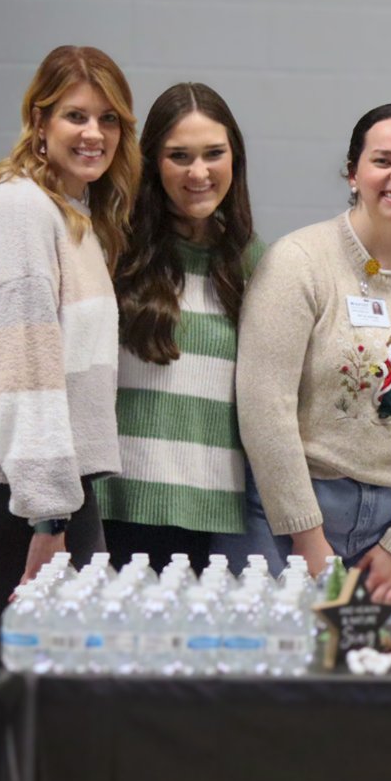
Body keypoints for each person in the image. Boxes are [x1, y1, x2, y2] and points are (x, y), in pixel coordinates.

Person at [0, 45, 139, 781]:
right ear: (39, 119)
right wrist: (47, 518)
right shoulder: (23, 208)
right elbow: (22, 372)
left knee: (51, 684)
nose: (94, 133)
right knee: (0, 677)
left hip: (47, 484)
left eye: (108, 119)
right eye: (76, 116)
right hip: (6, 489)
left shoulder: (70, 211)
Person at [235, 104, 391, 612]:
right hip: (293, 515)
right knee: (286, 682)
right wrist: (307, 540)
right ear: (352, 173)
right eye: (383, 160)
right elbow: (265, 405)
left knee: (390, 681)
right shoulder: (299, 261)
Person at [95, 82, 264, 573]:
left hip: (217, 525)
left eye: (214, 154)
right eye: (178, 156)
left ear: (235, 159)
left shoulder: (257, 264)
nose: (199, 172)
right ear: (152, 163)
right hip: (116, 512)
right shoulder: (112, 254)